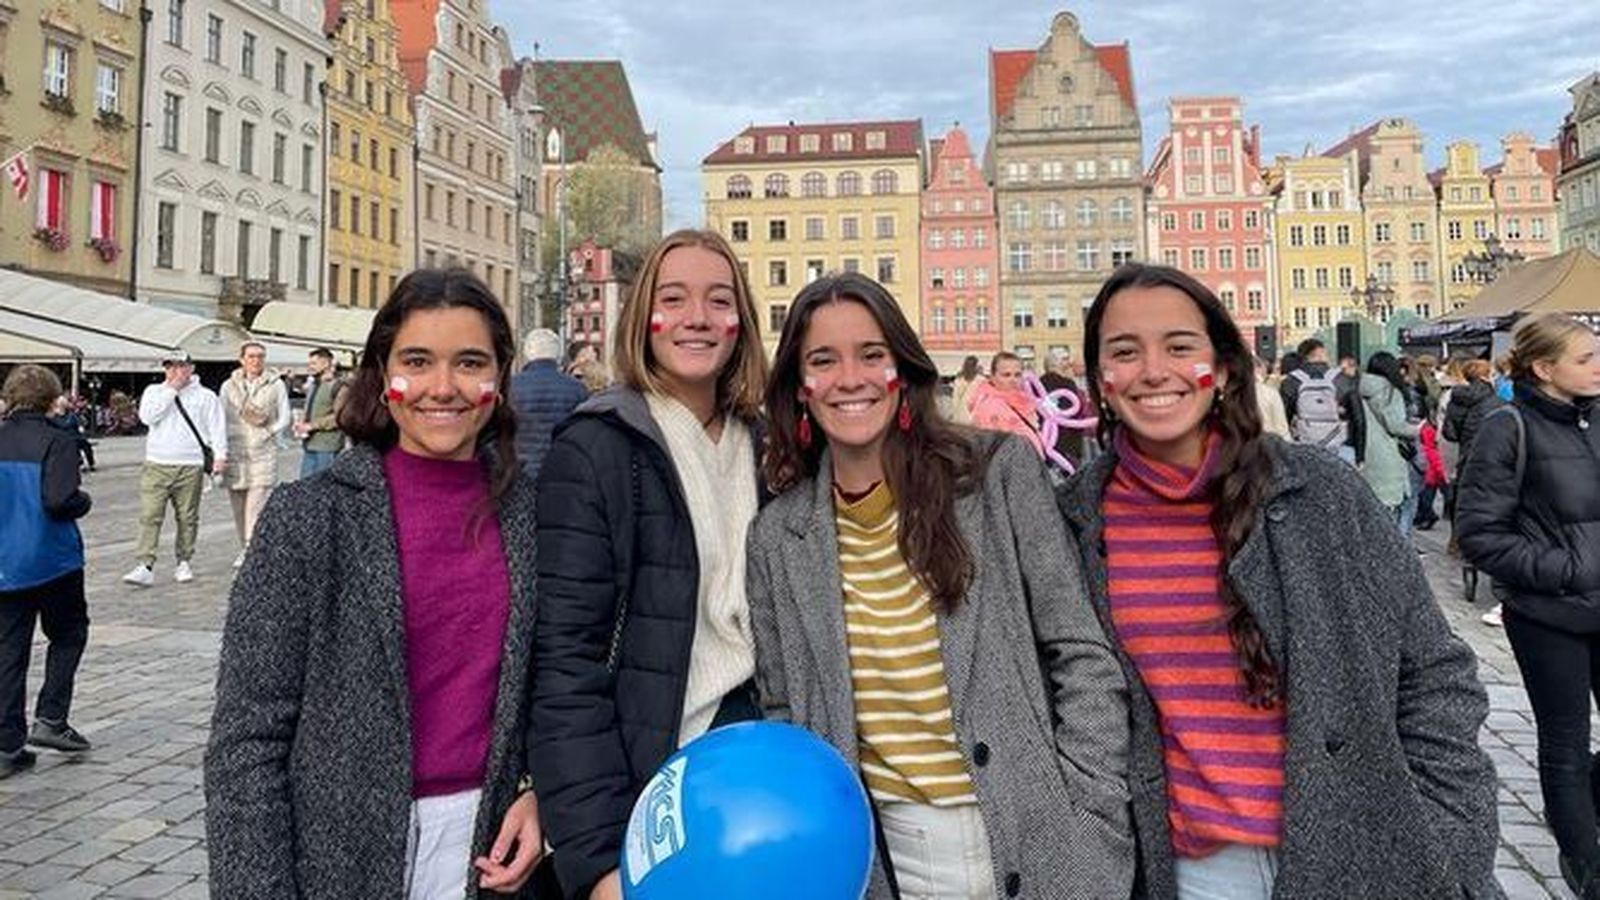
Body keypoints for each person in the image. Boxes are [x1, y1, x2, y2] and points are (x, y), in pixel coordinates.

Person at [1056, 263, 1498, 898]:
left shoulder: (1319, 491)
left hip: (1365, 853)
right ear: (1101, 380)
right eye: (1125, 352)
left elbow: (1434, 672)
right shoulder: (1074, 522)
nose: (1154, 370)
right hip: (1197, 873)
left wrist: (1448, 839)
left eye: (1181, 347)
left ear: (1226, 368)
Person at [748, 272, 1133, 898]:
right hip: (882, 859)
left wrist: (1091, 816)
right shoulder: (777, 538)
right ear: (800, 386)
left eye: (872, 355)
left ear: (902, 371)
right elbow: (786, 709)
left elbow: (1080, 653)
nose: (851, 379)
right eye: (824, 360)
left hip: (1037, 835)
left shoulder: (996, 477)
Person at [205, 268, 548, 899]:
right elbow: (245, 742)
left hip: (491, 855)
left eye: (470, 363)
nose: (442, 388)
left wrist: (543, 794)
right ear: (380, 375)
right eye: (416, 361)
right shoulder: (310, 517)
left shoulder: (530, 511)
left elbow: (550, 687)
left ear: (499, 379)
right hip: (338, 855)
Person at [530, 229, 770, 900]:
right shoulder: (596, 448)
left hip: (759, 775)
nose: (697, 317)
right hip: (652, 775)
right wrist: (600, 861)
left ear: (740, 323)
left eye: (719, 300)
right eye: (675, 298)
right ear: (644, 317)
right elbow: (565, 665)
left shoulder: (768, 444)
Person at [1456, 313, 1600, 899]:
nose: (1598, 366)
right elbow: (1480, 533)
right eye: (1586, 358)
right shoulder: (1506, 427)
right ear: (1544, 369)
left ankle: (1582, 803)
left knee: (1578, 763)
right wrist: (1567, 569)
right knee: (1564, 741)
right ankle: (1586, 865)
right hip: (1550, 616)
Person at [0, 365, 94, 779]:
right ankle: (51, 718)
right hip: (51, 559)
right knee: (69, 633)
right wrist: (84, 501)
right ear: (52, 398)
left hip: (4, 561)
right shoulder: (59, 440)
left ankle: (7, 744)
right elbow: (59, 500)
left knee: (9, 650)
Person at [122, 351, 226, 587]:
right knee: (150, 515)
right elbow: (148, 417)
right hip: (157, 462)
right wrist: (171, 390)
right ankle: (145, 564)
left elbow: (217, 428)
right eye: (170, 367)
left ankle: (184, 560)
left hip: (190, 464)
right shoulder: (154, 392)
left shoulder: (206, 396)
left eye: (180, 367)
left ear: (191, 368)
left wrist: (220, 457)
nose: (175, 372)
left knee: (187, 516)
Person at [221, 341, 291, 568]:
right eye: (251, 356)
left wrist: (269, 432)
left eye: (260, 356)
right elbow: (219, 417)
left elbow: (285, 416)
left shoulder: (275, 384)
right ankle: (245, 547)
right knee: (239, 507)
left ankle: (253, 550)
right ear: (241, 359)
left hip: (262, 452)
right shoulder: (228, 386)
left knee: (256, 507)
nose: (256, 361)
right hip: (235, 452)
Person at [508, 328, 586, 483]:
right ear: (557, 355)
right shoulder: (577, 388)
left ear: (527, 353)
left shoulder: (511, 387)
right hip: (563, 471)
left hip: (522, 471)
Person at [1360, 352, 1423, 537]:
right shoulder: (1390, 392)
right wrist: (1420, 429)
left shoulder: (1358, 387)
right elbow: (1397, 426)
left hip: (1366, 453)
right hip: (1388, 455)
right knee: (1398, 509)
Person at [1281, 339, 1363, 464]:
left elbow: (1284, 420)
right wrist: (1360, 455)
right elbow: (1359, 420)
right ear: (1322, 353)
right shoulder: (1343, 379)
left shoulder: (1292, 381)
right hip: (1339, 446)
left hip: (1304, 448)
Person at [966, 351, 1044, 456]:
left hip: (1029, 466)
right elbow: (989, 451)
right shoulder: (989, 407)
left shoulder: (1022, 402)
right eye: (1006, 375)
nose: (1013, 380)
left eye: (1017, 375)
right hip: (1012, 469)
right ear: (993, 377)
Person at [294, 347, 346, 478]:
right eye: (309, 363)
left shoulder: (339, 386)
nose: (310, 366)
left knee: (323, 490)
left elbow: (341, 417)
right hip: (309, 444)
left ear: (326, 364)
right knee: (305, 488)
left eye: (314, 363)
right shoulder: (314, 385)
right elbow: (310, 409)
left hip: (327, 446)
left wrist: (312, 425)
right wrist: (301, 423)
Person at [1040, 347, 1089, 462]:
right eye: (1066, 359)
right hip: (1068, 438)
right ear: (1058, 363)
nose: (1070, 363)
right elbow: (1076, 411)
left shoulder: (1039, 382)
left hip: (1046, 437)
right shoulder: (1067, 383)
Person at [47, 395, 95, 472]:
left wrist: (81, 428)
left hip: (76, 436)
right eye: (62, 404)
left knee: (86, 446)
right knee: (72, 445)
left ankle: (91, 463)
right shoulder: (54, 417)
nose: (63, 405)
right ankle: (80, 463)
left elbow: (79, 424)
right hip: (64, 438)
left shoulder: (71, 415)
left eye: (64, 403)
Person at [1254, 355, 1290, 439]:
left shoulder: (1230, 393)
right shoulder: (1270, 392)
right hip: (1268, 443)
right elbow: (1282, 428)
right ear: (1257, 369)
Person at [949, 354, 982, 425]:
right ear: (975, 366)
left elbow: (955, 400)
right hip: (971, 417)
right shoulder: (981, 381)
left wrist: (954, 414)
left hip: (962, 416)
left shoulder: (959, 380)